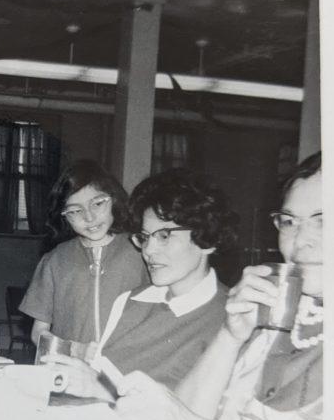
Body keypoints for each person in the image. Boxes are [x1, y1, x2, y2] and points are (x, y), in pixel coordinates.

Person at [101, 152, 324, 420]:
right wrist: (230, 336)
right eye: (289, 222)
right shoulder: (273, 319)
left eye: (324, 219)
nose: (301, 240)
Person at [52, 167, 238, 392]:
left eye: (164, 236)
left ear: (206, 239)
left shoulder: (234, 320)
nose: (148, 250)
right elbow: (95, 380)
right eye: (144, 237)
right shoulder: (128, 302)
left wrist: (100, 391)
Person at [19, 159, 147, 347]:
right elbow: (39, 331)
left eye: (97, 204)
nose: (89, 217)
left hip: (125, 370)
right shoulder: (55, 260)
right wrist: (65, 352)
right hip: (71, 369)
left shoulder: (141, 250)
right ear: (63, 216)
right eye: (75, 211)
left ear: (114, 199)